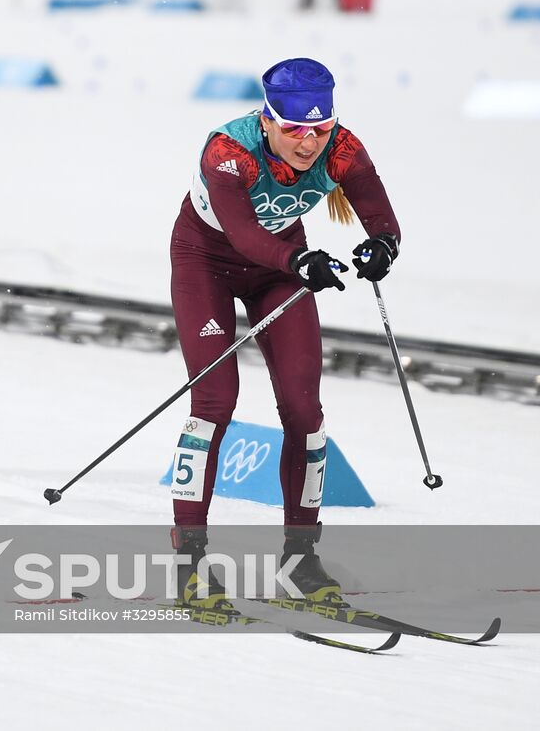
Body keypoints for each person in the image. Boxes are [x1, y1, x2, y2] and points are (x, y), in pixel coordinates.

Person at [167, 57, 400, 608]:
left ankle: (301, 561)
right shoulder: (228, 150)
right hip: (209, 263)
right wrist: (298, 260)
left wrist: (381, 247)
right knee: (215, 402)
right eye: (294, 129)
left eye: (320, 129)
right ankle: (189, 564)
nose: (308, 143)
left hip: (281, 266)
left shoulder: (343, 148)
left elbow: (381, 218)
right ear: (267, 120)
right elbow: (245, 235)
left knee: (304, 410)